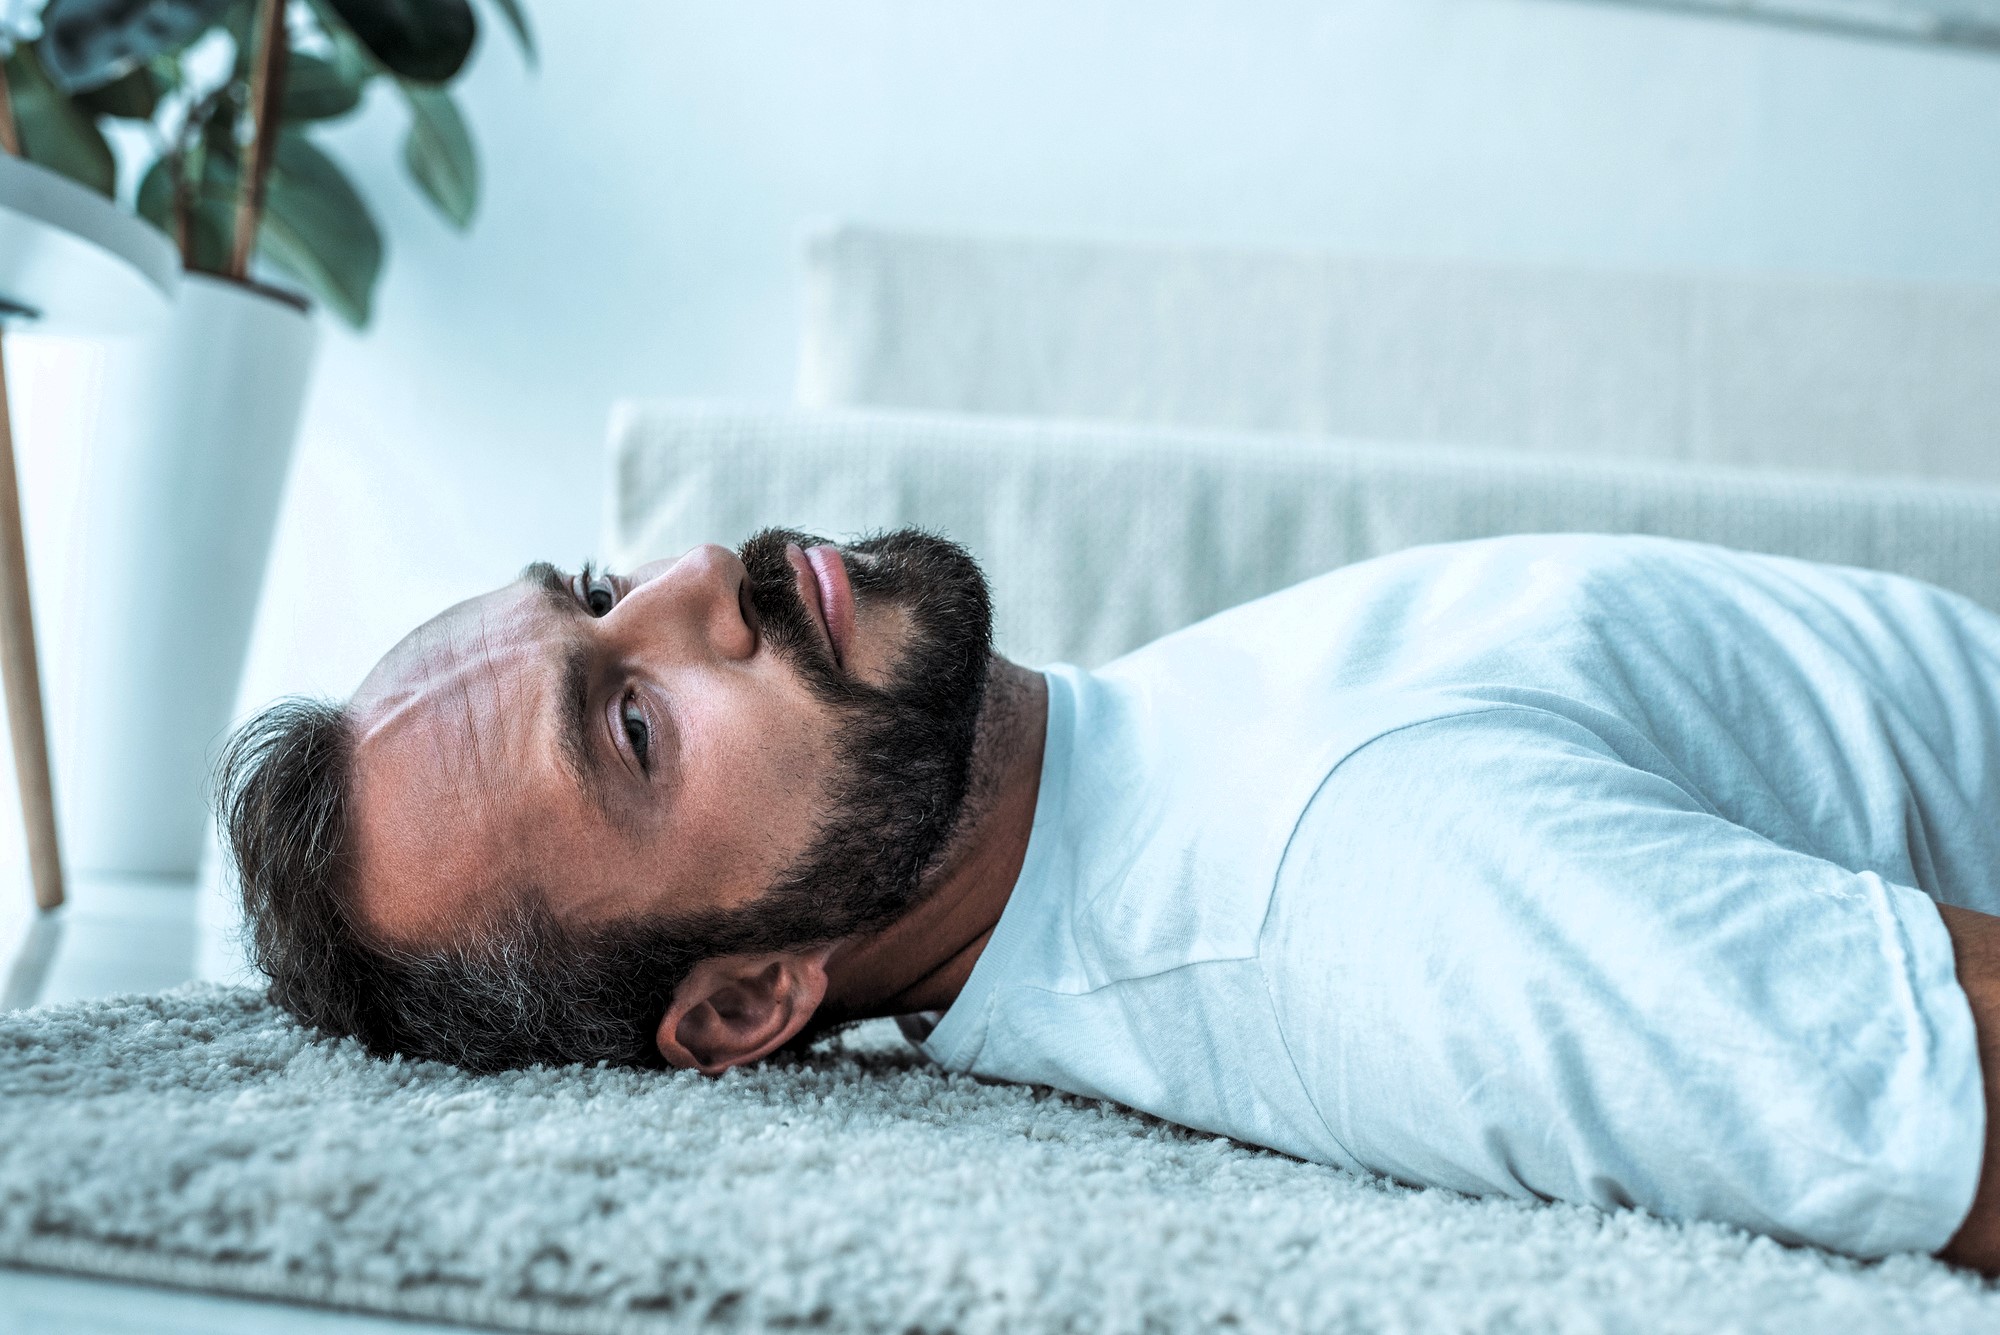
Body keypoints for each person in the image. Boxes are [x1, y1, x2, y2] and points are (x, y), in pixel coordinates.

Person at [217, 527, 2000, 1269]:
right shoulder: (1368, 888)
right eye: (632, 724)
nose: (703, 576)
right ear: (751, 1001)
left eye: (600, 591)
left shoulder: (1131, 778)